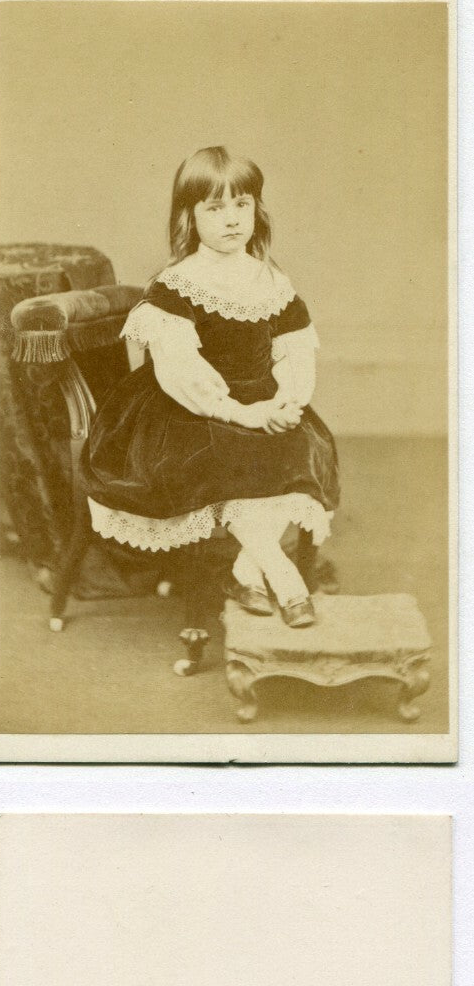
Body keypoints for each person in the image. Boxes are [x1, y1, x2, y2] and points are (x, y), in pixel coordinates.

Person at [83, 146, 340, 627]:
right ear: (190, 217)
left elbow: (293, 350)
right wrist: (243, 414)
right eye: (214, 208)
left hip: (262, 399)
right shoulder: (179, 285)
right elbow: (180, 370)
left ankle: (244, 573)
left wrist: (287, 402)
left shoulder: (272, 280)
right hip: (189, 412)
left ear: (256, 210)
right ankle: (286, 580)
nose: (230, 220)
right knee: (230, 460)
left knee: (301, 449)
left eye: (241, 205)